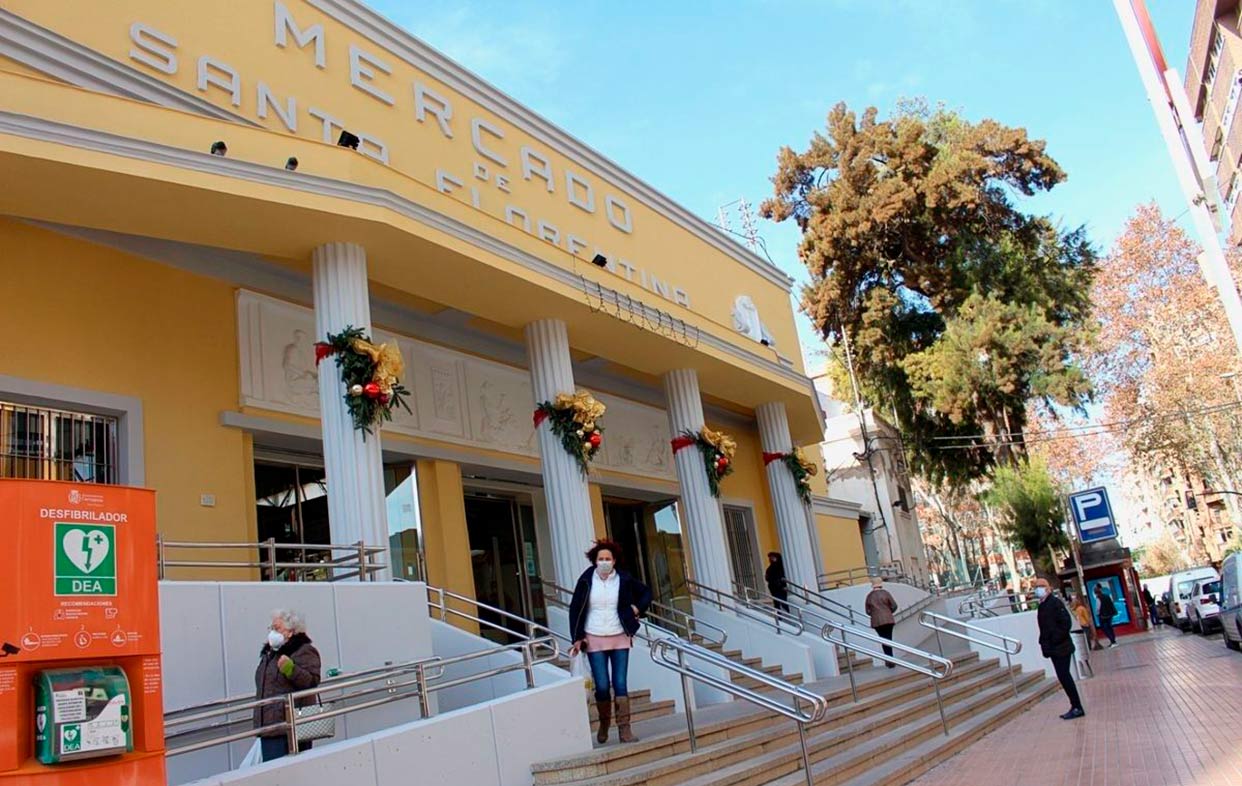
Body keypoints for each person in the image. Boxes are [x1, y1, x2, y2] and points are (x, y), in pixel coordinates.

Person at [569, 540, 652, 745]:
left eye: (608, 559)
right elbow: (575, 608)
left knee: (620, 683)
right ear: (594, 561)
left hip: (619, 636)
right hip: (594, 636)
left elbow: (646, 593)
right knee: (603, 685)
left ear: (614, 561)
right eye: (600, 559)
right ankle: (605, 722)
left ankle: (625, 729)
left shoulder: (623, 578)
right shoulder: (586, 580)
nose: (604, 562)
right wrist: (577, 638)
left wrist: (636, 609)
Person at [254, 608, 322, 761]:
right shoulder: (270, 654)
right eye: (271, 628)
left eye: (277, 628)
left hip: (292, 726)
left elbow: (311, 681)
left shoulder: (303, 651)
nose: (272, 632)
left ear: (291, 631)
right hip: (270, 726)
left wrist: (291, 670)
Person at [1035, 578, 1085, 719]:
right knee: (1063, 676)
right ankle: (1075, 705)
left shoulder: (1055, 603)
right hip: (1053, 648)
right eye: (1036, 586)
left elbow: (1065, 623)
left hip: (1061, 647)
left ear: (1048, 588)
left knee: (1064, 676)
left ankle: (1077, 706)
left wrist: (1054, 639)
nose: (1038, 589)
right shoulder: (1042, 606)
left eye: (1041, 586)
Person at [865, 579, 898, 667]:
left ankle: (888, 660)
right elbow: (894, 605)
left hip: (877, 622)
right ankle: (891, 659)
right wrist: (889, 612)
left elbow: (867, 611)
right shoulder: (885, 593)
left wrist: (874, 613)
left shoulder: (869, 596)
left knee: (883, 639)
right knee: (888, 638)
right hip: (888, 619)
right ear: (880, 585)